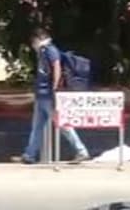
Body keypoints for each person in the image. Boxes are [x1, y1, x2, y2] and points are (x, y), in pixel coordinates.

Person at [22, 28, 90, 164]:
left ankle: (81, 151)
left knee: (63, 124)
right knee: (37, 127)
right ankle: (29, 155)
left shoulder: (50, 50)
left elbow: (56, 66)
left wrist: (55, 88)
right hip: (41, 94)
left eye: (33, 41)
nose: (33, 45)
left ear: (38, 39)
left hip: (49, 95)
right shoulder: (42, 52)